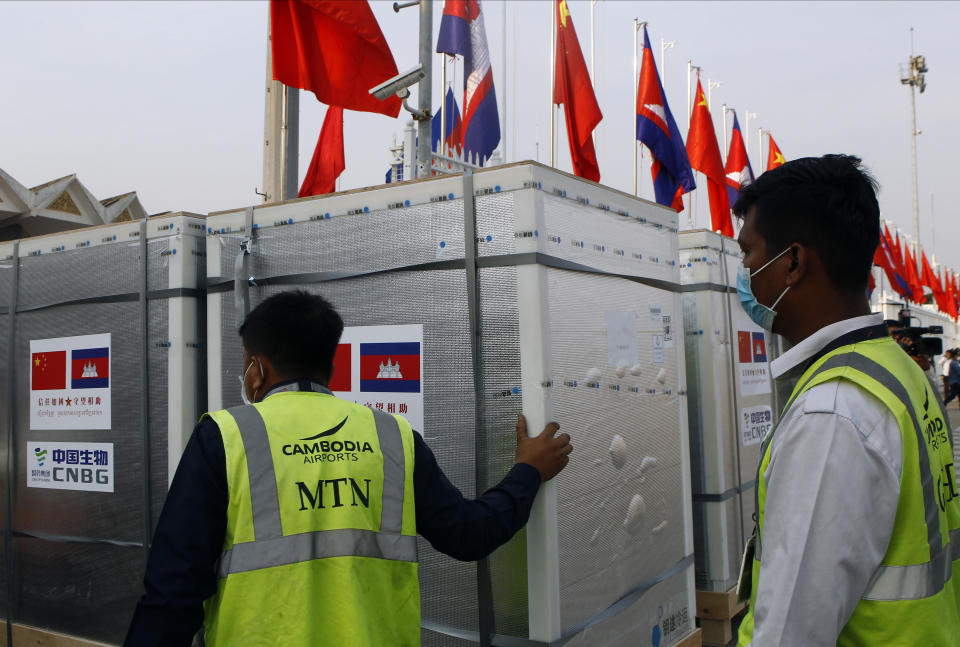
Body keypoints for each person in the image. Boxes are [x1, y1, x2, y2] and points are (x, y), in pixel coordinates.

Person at [124, 290, 572, 646]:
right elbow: (470, 533)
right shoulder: (392, 437)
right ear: (330, 368)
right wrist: (527, 471)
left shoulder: (223, 438)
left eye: (245, 363)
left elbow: (172, 595)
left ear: (256, 370)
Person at [732, 154, 960, 646]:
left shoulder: (831, 413)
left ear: (792, 262)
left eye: (748, 253)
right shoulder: (898, 369)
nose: (744, 272)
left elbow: (790, 631)